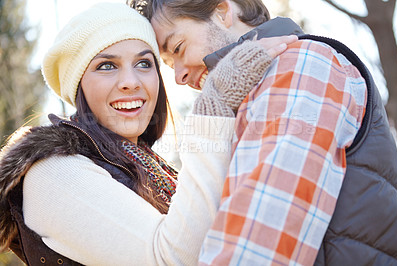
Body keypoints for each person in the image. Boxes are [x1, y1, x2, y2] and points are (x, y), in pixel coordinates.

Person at [0, 2, 295, 265]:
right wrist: (214, 106)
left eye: (144, 63)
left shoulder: (151, 166)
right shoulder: (53, 170)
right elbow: (173, 258)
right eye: (106, 66)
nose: (131, 81)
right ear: (78, 87)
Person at [130, 0, 397, 265]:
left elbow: (260, 243)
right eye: (168, 65)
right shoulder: (255, 95)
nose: (178, 77)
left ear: (223, 11)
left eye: (178, 48)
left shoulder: (297, 64)